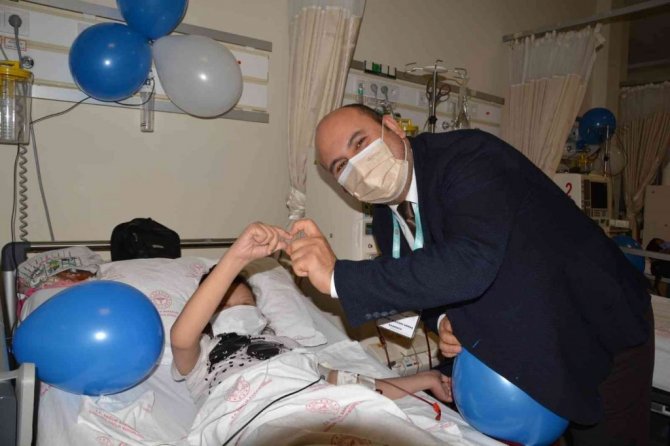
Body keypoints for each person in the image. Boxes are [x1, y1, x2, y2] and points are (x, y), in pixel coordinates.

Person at [287, 104, 654, 445]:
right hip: (527, 341)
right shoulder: (386, 221)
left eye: (360, 143)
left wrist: (338, 276)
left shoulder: (468, 158)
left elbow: (470, 262)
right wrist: (444, 322)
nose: (357, 164)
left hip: (596, 325)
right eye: (341, 166)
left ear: (393, 128)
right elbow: (430, 288)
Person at [170, 222, 453, 408]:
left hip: (315, 410)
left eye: (244, 303)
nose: (237, 311)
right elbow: (182, 338)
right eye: (224, 307)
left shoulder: (289, 348)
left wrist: (426, 379)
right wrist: (237, 257)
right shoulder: (203, 356)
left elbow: (357, 385)